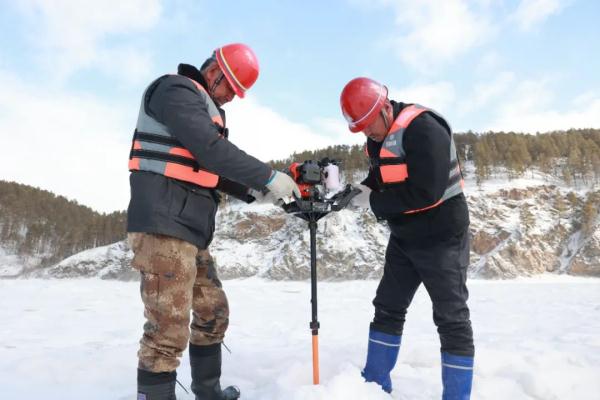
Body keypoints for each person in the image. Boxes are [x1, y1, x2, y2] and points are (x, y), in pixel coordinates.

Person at [127, 43, 300, 400]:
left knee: (213, 312)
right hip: (163, 224)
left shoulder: (205, 108)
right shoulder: (175, 90)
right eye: (230, 90)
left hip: (190, 231)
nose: (232, 99)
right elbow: (209, 149)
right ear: (214, 73)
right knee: (167, 330)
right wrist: (267, 176)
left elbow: (209, 169)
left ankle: (208, 392)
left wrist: (256, 193)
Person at [340, 77, 474, 399]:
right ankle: (374, 385)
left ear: (384, 107)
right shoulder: (376, 139)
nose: (368, 134)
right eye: (360, 129)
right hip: (405, 237)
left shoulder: (424, 128)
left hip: (443, 237)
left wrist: (371, 201)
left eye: (369, 125)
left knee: (451, 318)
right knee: (387, 306)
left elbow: (426, 192)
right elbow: (382, 176)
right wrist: (355, 191)